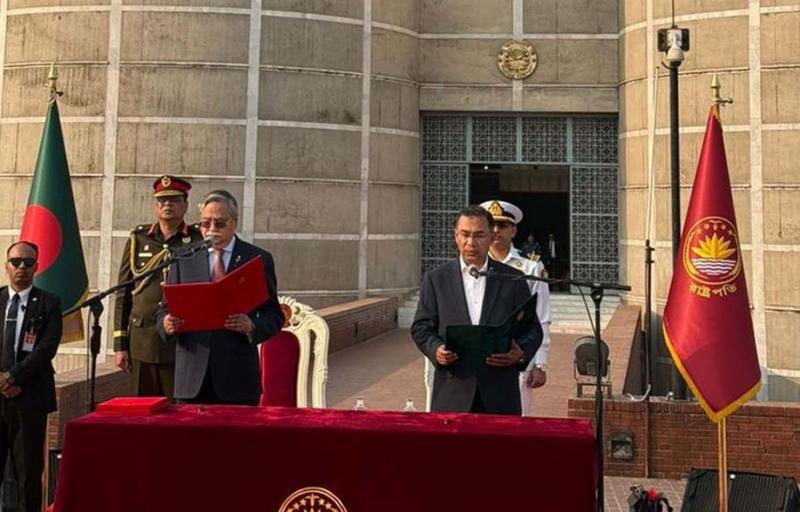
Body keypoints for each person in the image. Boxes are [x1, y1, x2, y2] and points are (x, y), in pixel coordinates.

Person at [411, 205, 542, 415]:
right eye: (465, 234)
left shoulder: (513, 279)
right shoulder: (436, 279)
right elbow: (421, 327)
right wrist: (436, 349)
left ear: (491, 237)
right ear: (456, 236)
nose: (471, 243)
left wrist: (520, 354)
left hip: (500, 392)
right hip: (452, 390)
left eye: (479, 235)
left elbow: (533, 329)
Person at [157, 190, 284, 405]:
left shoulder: (257, 259)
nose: (211, 229)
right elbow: (163, 311)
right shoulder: (183, 257)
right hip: (192, 380)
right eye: (205, 223)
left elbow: (274, 316)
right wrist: (166, 324)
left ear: (234, 222)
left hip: (237, 378)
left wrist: (252, 326)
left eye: (220, 223)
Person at [113, 175, 203, 398]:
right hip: (142, 340)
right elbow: (123, 293)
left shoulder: (197, 239)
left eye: (174, 200)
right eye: (162, 200)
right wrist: (120, 345)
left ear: (185, 205)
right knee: (142, 407)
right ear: (156, 206)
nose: (167, 205)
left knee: (178, 406)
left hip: (181, 341)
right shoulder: (138, 239)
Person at [0, 241, 62, 512]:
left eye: (28, 263)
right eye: (16, 262)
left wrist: (12, 377)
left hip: (30, 399)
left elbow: (46, 348)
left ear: (36, 266)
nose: (21, 267)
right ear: (6, 266)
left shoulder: (49, 303)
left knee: (28, 476)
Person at [480, 200, 552, 416]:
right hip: (481, 353)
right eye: (491, 225)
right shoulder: (474, 265)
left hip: (517, 352)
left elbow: (541, 315)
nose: (496, 231)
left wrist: (540, 363)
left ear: (514, 231)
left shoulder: (530, 266)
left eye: (502, 226)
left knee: (517, 418)